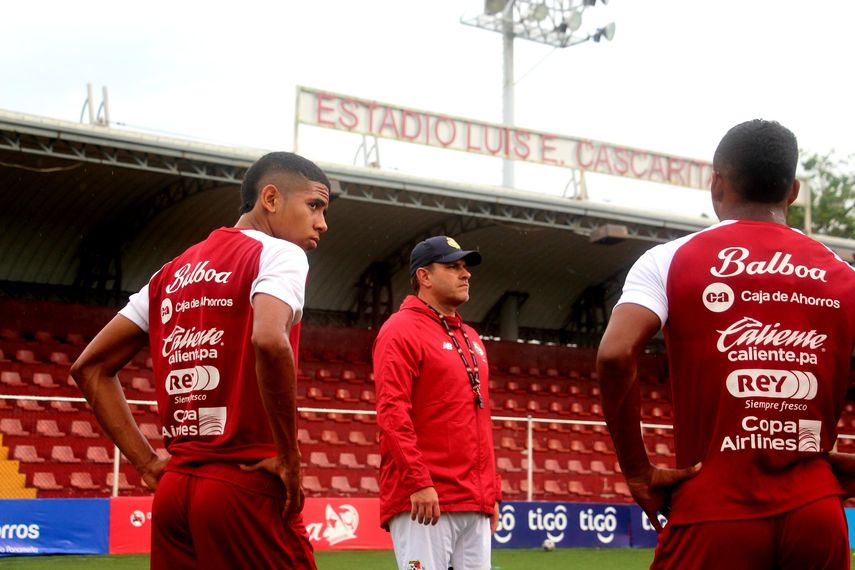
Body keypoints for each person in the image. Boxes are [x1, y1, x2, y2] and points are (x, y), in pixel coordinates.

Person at [597, 119, 855, 569]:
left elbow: (616, 354)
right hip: (818, 512)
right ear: (791, 191)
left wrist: (638, 471)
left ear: (715, 182)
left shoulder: (670, 259)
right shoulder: (842, 275)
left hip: (713, 509)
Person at [70, 151, 331, 569]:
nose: (322, 222)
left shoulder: (169, 272)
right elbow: (268, 337)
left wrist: (149, 465)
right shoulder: (281, 254)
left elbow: (89, 368)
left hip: (176, 492)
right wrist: (290, 454)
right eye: (314, 205)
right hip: (245, 482)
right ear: (270, 198)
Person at [373, 236, 501, 570]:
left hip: (474, 501)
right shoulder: (400, 330)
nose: (465, 274)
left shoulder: (471, 338)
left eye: (465, 267)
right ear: (424, 277)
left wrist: (491, 494)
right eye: (453, 266)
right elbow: (392, 412)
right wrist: (419, 482)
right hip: (425, 500)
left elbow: (480, 421)